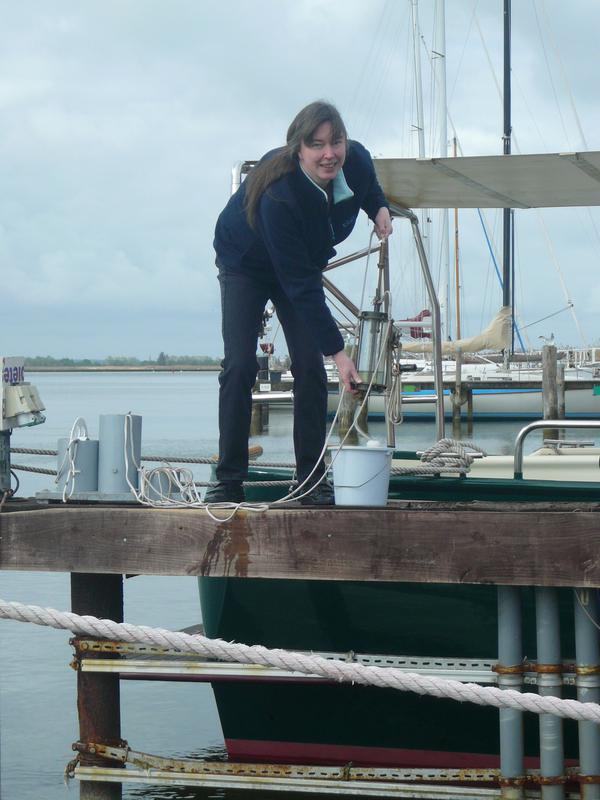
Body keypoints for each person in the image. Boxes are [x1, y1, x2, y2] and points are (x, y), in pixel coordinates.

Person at [206, 100, 393, 505]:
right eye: (317, 145)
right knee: (239, 364)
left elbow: (367, 183)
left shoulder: (354, 157)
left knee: (309, 366)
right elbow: (301, 286)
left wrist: (377, 207)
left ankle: (310, 479)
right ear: (299, 148)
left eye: (335, 142)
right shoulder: (280, 196)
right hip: (247, 264)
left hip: (297, 264)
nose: (329, 154)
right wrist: (341, 355)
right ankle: (228, 479)